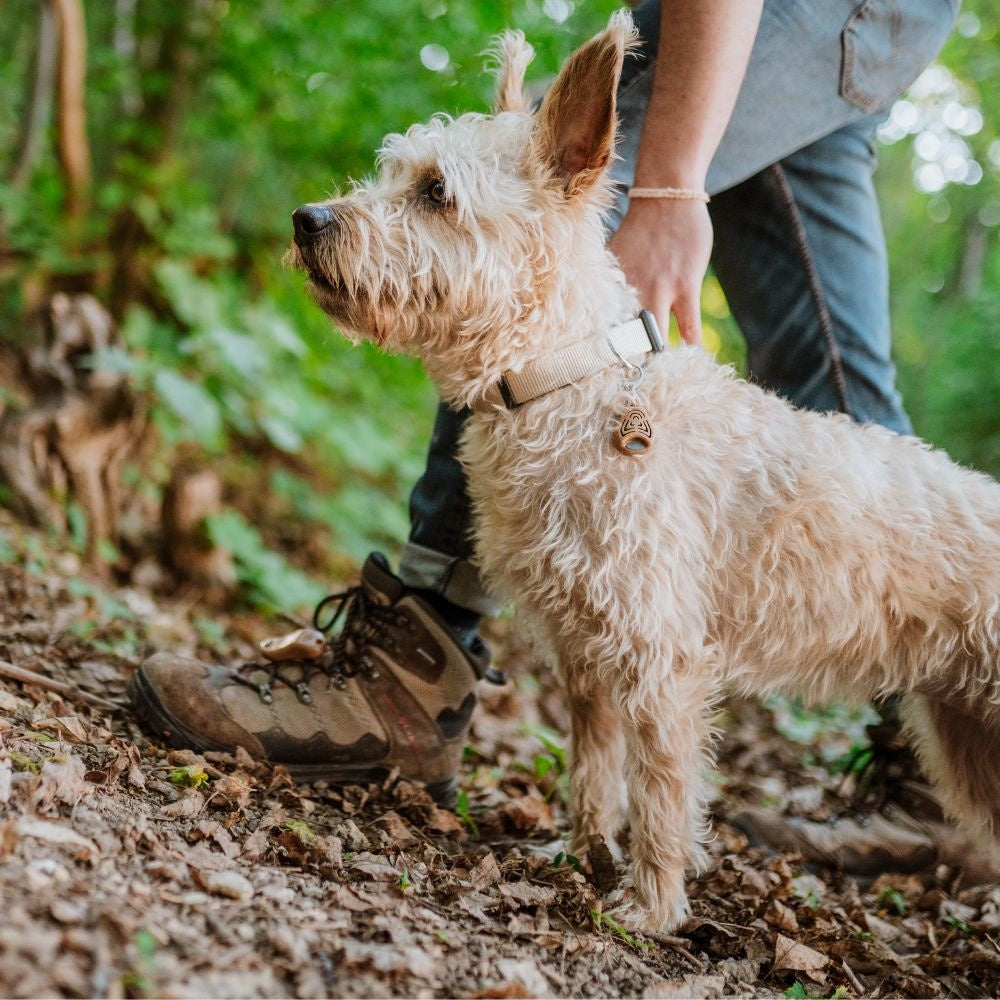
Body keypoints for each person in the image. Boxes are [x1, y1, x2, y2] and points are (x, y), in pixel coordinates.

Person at [132, 0, 969, 869]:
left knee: (537, 253)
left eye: (423, 198)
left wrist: (673, 184)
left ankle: (411, 666)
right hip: (882, 23)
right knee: (829, 365)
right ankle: (937, 775)